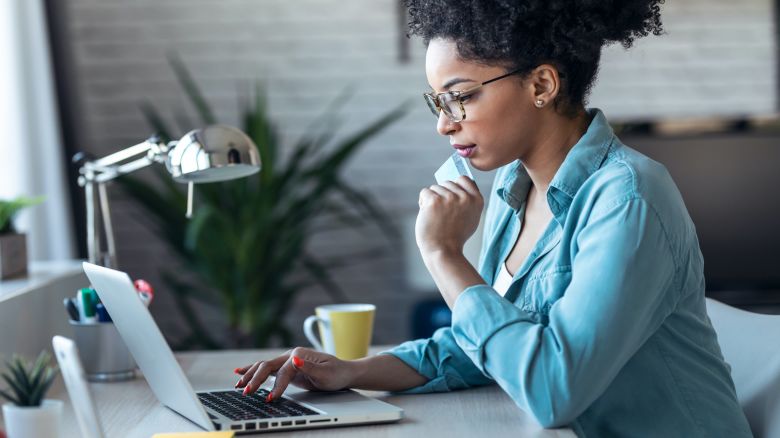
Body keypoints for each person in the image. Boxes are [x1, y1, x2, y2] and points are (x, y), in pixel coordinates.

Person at [234, 0, 753, 435]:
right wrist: (353, 370)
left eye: (460, 97)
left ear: (542, 84)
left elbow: (552, 390)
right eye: (438, 102)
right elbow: (487, 343)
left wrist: (443, 254)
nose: (443, 124)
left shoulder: (628, 198)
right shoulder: (513, 187)